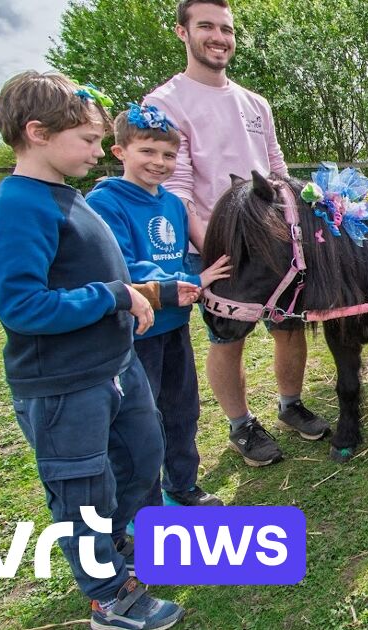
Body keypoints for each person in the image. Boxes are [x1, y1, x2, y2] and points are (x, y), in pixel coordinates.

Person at [0, 71, 184, 629]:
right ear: (38, 132)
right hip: (66, 385)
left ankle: (116, 546)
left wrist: (130, 293)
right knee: (83, 490)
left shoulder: (65, 195)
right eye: (89, 141)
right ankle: (109, 597)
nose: (100, 152)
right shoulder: (19, 207)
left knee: (143, 458)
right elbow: (22, 307)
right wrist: (113, 295)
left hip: (114, 366)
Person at [145, 0, 328, 467]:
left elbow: (278, 171)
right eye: (206, 26)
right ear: (182, 33)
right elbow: (178, 191)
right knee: (229, 338)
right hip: (217, 249)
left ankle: (290, 405)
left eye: (226, 29)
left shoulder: (254, 103)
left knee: (290, 328)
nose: (218, 37)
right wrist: (216, 252)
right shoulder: (165, 104)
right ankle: (241, 424)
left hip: (275, 245)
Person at [87, 104, 232, 508]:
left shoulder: (173, 205)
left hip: (174, 327)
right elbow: (119, 264)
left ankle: (181, 485)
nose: (159, 162)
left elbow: (182, 258)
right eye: (147, 152)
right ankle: (141, 503)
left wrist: (202, 272)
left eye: (168, 155)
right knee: (140, 422)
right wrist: (183, 284)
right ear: (120, 153)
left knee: (182, 411)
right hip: (137, 331)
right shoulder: (106, 203)